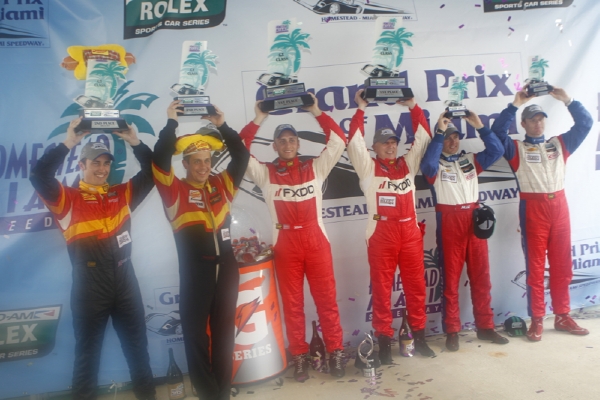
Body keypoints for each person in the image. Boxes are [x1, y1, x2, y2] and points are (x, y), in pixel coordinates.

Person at [29, 119, 156, 399]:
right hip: (90, 287)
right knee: (87, 359)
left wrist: (134, 141)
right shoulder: (67, 199)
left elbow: (153, 171)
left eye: (106, 163)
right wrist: (69, 142)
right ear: (82, 165)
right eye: (95, 163)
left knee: (138, 352)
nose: (102, 169)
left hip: (125, 282)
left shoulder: (122, 194)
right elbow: (39, 175)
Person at [239, 93, 346, 381]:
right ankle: (298, 355)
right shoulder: (265, 173)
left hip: (315, 240)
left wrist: (315, 111)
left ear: (298, 144)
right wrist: (259, 117)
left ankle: (336, 350)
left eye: (292, 140)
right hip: (285, 244)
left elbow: (338, 140)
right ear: (274, 146)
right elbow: (239, 149)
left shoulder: (315, 167)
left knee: (327, 300)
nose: (287, 144)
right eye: (282, 141)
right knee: (292, 304)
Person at [152, 100, 249, 399]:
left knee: (224, 336)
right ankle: (208, 392)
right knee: (195, 336)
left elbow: (241, 155)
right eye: (196, 161)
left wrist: (222, 125)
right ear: (185, 164)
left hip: (227, 269)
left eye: (207, 160)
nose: (204, 167)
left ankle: (222, 391)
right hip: (197, 273)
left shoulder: (223, 184)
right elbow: (159, 159)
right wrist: (171, 123)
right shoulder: (174, 190)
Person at [491, 87, 593, 341]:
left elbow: (586, 123)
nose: (537, 124)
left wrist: (567, 100)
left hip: (560, 207)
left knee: (562, 266)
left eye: (540, 119)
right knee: (535, 268)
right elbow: (496, 133)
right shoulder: (516, 149)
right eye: (532, 120)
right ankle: (537, 319)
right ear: (523, 124)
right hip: (533, 209)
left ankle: (562, 316)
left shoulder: (559, 144)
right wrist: (515, 104)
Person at [346, 89, 435, 364]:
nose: (390, 146)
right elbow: (354, 141)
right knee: (382, 290)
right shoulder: (367, 167)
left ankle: (419, 338)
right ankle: (384, 343)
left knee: (416, 287)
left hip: (409, 232)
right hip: (381, 233)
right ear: (374, 146)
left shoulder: (408, 164)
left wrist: (413, 105)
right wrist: (361, 108)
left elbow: (424, 136)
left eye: (394, 142)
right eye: (384, 143)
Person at [420, 110, 507, 352]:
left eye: (455, 137)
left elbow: (497, 150)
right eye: (448, 137)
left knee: (482, 277)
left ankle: (486, 327)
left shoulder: (470, 160)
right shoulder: (434, 164)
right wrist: (439, 133)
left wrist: (479, 125)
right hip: (449, 221)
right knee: (451, 280)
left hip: (474, 220)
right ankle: (452, 330)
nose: (453, 141)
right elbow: (427, 165)